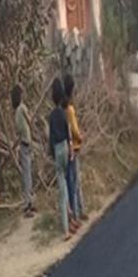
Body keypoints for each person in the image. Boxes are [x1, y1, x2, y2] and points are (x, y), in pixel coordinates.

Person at [49, 75, 74, 240]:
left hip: (58, 149)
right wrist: (71, 150)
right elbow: (68, 132)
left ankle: (65, 229)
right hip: (66, 146)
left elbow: (51, 137)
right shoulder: (64, 113)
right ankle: (70, 212)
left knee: (61, 188)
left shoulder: (52, 116)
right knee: (65, 180)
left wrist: (51, 153)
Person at [63, 73, 85, 224]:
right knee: (75, 181)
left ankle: (77, 210)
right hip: (74, 147)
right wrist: (80, 137)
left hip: (68, 147)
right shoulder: (70, 109)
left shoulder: (63, 108)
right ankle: (78, 212)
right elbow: (74, 129)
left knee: (71, 180)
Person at [11, 84, 35, 217]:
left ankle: (29, 202)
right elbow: (30, 121)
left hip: (23, 145)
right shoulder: (23, 108)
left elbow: (19, 132)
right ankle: (27, 205)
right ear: (20, 95)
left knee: (27, 175)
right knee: (28, 176)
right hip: (27, 144)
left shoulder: (16, 112)